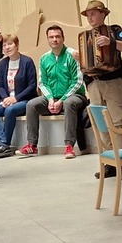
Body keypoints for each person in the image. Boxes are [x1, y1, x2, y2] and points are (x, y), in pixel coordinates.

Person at [17, 25, 87, 160]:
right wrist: (50, 99)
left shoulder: (72, 55)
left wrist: (61, 100)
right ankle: (32, 145)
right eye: (51, 37)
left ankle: (69, 146)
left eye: (57, 36)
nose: (54, 39)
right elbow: (42, 82)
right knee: (31, 105)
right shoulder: (44, 58)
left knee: (68, 103)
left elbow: (77, 82)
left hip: (75, 96)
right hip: (52, 98)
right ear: (48, 40)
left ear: (63, 38)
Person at [80, 0, 122, 179]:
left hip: (113, 82)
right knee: (101, 124)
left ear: (103, 14)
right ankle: (110, 163)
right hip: (93, 83)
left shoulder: (114, 30)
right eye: (88, 15)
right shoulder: (85, 36)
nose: (90, 17)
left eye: (93, 13)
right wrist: (80, 59)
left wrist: (111, 42)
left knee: (118, 122)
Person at [0, 33, 38, 158]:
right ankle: (3, 143)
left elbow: (32, 85)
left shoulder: (27, 61)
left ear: (17, 45)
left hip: (24, 99)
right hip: (7, 99)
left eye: (10, 44)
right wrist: (6, 98)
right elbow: (0, 86)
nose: (7, 47)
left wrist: (15, 98)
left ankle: (4, 145)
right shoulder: (2, 64)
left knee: (10, 110)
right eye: (4, 45)